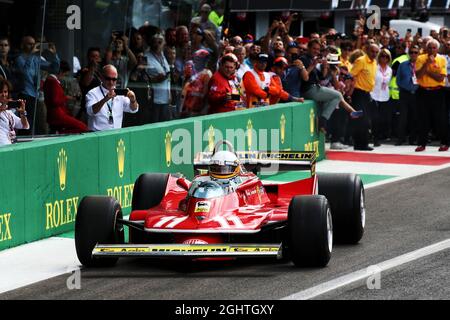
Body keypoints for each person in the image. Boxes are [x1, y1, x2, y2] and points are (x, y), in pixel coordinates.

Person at [300, 39, 360, 133]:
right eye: (314, 48)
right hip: (308, 89)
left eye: (318, 49)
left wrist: (325, 68)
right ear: (308, 48)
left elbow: (321, 78)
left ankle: (323, 123)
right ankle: (324, 121)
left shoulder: (314, 60)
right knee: (337, 95)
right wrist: (314, 65)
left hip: (316, 87)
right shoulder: (303, 59)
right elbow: (305, 78)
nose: (316, 51)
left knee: (336, 97)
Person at [14, 36, 60, 134]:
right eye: (29, 44)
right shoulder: (19, 59)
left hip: (36, 95)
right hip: (25, 94)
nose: (33, 46)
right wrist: (31, 54)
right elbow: (25, 73)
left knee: (40, 126)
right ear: (23, 45)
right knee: (26, 126)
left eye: (34, 44)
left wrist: (54, 54)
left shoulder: (36, 58)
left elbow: (54, 69)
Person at [414, 39, 448, 152]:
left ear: (437, 49)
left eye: (434, 48)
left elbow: (440, 78)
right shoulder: (420, 58)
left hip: (437, 92)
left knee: (440, 119)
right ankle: (421, 144)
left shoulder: (442, 59)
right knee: (422, 118)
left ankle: (444, 143)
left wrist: (427, 71)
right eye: (430, 47)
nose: (432, 50)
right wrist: (427, 64)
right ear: (426, 48)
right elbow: (418, 75)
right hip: (423, 91)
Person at [85, 65, 139, 131]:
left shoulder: (120, 93)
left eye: (114, 79)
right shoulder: (92, 93)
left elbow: (133, 109)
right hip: (97, 135)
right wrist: (105, 99)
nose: (111, 82)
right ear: (101, 78)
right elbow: (90, 111)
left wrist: (133, 100)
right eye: (108, 79)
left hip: (115, 135)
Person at [43, 61, 88, 134]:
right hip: (57, 114)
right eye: (64, 74)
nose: (64, 77)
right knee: (83, 127)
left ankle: (60, 132)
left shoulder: (50, 81)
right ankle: (60, 133)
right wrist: (64, 98)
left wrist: (68, 97)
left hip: (56, 114)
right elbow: (55, 100)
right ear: (60, 71)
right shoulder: (53, 82)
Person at [350, 44, 379, 151]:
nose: (374, 54)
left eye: (376, 52)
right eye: (372, 51)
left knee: (366, 120)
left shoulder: (375, 62)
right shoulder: (361, 60)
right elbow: (351, 75)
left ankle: (362, 143)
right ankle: (360, 144)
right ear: (367, 50)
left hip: (367, 94)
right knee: (362, 120)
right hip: (358, 92)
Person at [396, 45, 420, 146]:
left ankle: (413, 139)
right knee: (403, 117)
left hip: (417, 94)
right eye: (411, 52)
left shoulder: (421, 65)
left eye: (415, 52)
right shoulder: (403, 65)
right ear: (408, 53)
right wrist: (407, 88)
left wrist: (415, 89)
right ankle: (400, 139)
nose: (413, 54)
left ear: (418, 54)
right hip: (405, 93)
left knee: (415, 117)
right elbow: (398, 80)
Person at [145, 33, 172, 123]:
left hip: (165, 98)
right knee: (154, 124)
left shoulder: (163, 56)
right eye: (155, 42)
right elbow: (145, 78)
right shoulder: (147, 57)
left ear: (164, 44)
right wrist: (156, 79)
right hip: (154, 99)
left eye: (160, 42)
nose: (157, 45)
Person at [180, 49, 213, 117]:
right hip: (186, 108)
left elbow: (206, 94)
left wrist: (202, 111)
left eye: (199, 59)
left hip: (197, 110)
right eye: (195, 58)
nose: (196, 61)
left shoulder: (207, 74)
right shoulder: (192, 72)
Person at [370, 49, 393, 147]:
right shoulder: (375, 67)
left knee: (382, 119)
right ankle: (375, 139)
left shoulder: (390, 70)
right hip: (373, 94)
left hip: (384, 96)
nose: (384, 58)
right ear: (379, 57)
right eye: (382, 56)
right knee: (375, 118)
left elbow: (387, 82)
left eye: (386, 56)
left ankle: (379, 136)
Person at [0, 79, 29, 145]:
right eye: (0, 92)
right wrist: (3, 106)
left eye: (5, 92)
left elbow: (25, 125)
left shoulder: (9, 112)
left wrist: (22, 113)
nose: (4, 94)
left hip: (10, 147)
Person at [78, 47, 103, 121]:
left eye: (96, 56)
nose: (95, 59)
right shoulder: (84, 71)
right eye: (93, 56)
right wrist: (92, 68)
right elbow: (86, 83)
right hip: (88, 105)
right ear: (88, 57)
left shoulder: (101, 71)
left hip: (100, 104)